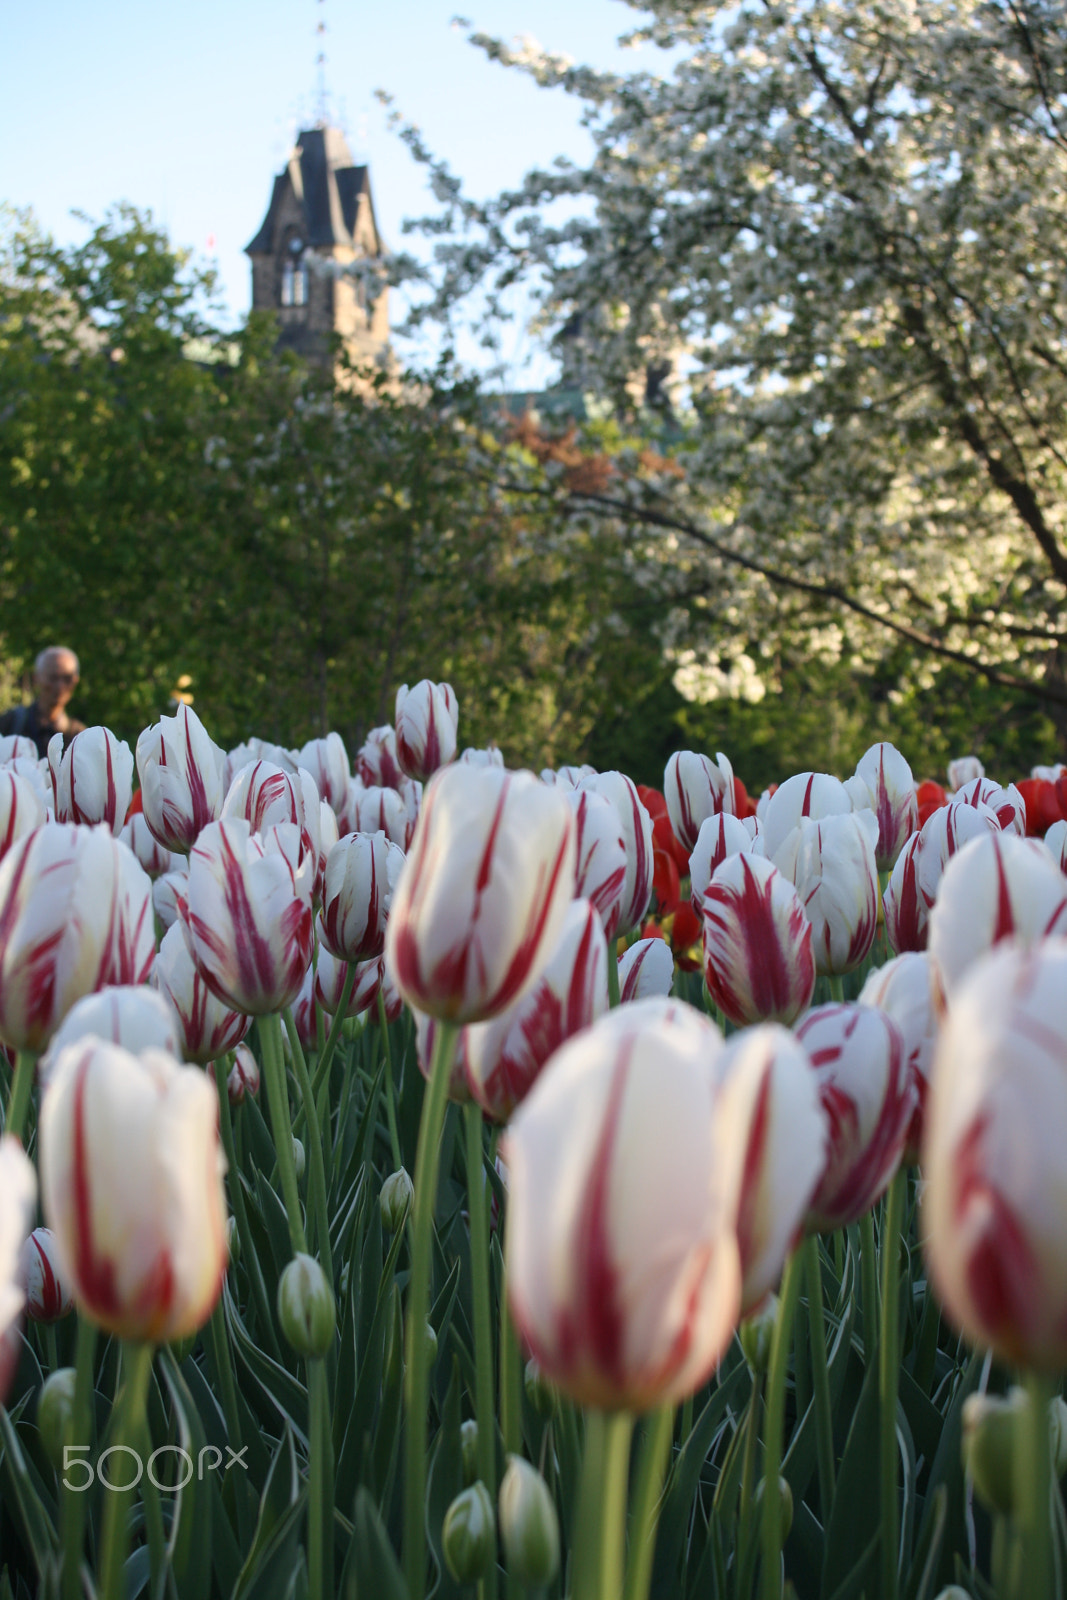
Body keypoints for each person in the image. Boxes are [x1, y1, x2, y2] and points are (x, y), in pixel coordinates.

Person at [0, 646, 86, 759]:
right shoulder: (9, 724)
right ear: (36, 678)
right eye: (53, 677)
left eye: (67, 678)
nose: (60, 686)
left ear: (76, 681)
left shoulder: (80, 736)